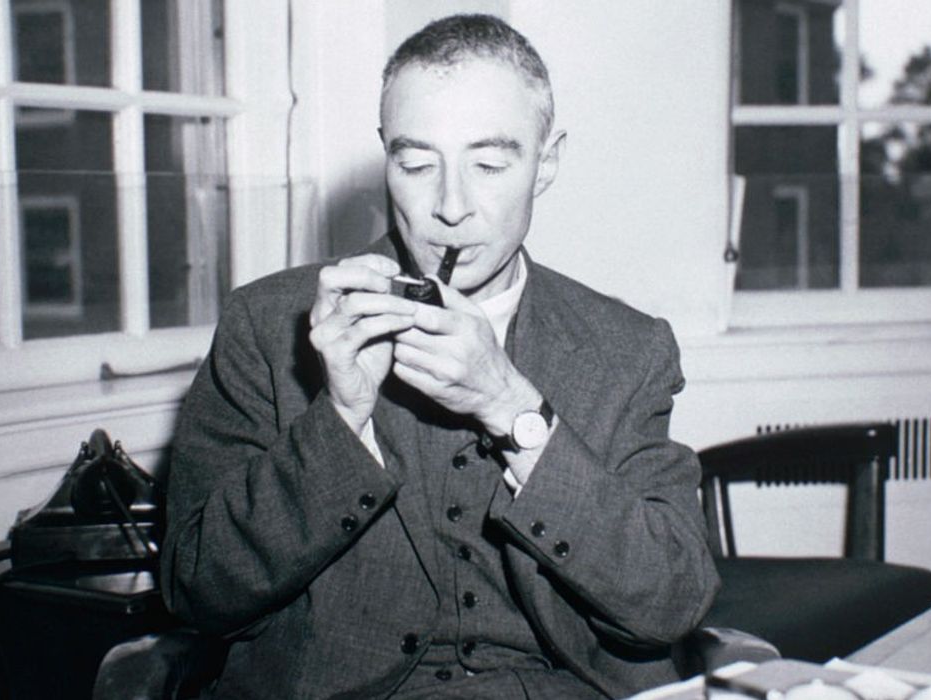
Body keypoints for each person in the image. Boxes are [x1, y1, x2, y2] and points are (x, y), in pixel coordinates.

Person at [161, 13, 719, 700]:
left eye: (489, 165)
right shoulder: (267, 324)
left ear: (546, 163)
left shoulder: (625, 349)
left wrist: (512, 407)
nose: (450, 207)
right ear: (385, 160)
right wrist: (341, 420)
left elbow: (668, 604)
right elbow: (197, 590)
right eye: (416, 164)